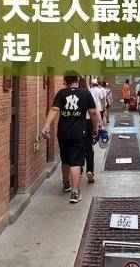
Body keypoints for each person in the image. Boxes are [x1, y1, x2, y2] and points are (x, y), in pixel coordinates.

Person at [42, 72, 99, 203]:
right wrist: (95, 128)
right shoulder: (85, 93)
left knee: (65, 159)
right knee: (76, 161)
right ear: (77, 80)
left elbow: (54, 110)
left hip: (63, 132)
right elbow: (93, 112)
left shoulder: (61, 93)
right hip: (79, 132)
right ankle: (75, 192)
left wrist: (46, 125)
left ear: (65, 81)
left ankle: (66, 184)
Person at [87, 77, 104, 183]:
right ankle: (90, 170)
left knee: (79, 148)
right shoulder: (88, 94)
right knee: (89, 148)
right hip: (89, 121)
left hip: (77, 123)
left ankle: (79, 168)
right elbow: (94, 111)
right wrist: (98, 126)